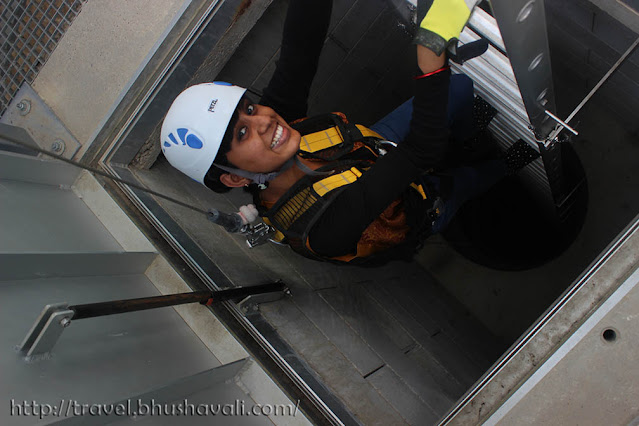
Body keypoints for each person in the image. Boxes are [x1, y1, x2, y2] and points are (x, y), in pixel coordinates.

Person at [160, 0, 538, 264]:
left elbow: (300, 47)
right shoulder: (320, 229)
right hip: (413, 203)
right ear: (232, 177)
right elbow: (421, 149)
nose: (263, 122)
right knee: (463, 182)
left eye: (250, 107)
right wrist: (430, 53)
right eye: (242, 135)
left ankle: (468, 137)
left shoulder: (277, 130)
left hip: (370, 150)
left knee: (457, 91)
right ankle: (504, 165)